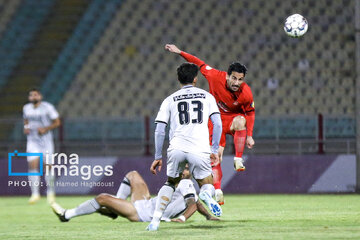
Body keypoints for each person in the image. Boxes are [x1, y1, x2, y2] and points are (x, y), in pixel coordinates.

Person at [165, 44, 256, 205]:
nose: (236, 82)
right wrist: (180, 52)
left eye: (240, 79)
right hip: (215, 120)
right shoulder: (214, 76)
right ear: (227, 76)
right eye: (234, 78)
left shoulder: (246, 92)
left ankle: (238, 159)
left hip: (232, 120)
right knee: (215, 156)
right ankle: (218, 190)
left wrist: (249, 135)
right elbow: (198, 63)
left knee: (241, 121)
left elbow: (250, 112)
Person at [146, 62, 223, 231]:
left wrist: (158, 156)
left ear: (178, 79)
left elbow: (159, 130)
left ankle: (156, 221)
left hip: (176, 148)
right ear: (195, 78)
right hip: (199, 148)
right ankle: (205, 195)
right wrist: (214, 149)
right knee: (206, 183)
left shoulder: (169, 100)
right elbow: (217, 124)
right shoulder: (207, 97)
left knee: (170, 183)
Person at [51, 169, 219, 223]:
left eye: (186, 168)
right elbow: (197, 203)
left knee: (102, 197)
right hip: (145, 203)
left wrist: (181, 219)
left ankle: (66, 215)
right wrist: (208, 217)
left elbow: (193, 203)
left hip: (142, 213)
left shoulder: (185, 183)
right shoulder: (189, 188)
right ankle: (116, 206)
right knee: (133, 175)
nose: (183, 170)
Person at [23, 88, 61, 204]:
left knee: (47, 166)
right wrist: (26, 128)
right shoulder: (26, 108)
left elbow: (57, 122)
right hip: (32, 141)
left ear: (40, 96)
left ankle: (50, 192)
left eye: (35, 95)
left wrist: (45, 129)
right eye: (31, 95)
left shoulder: (47, 107)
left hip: (46, 142)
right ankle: (35, 194)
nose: (33, 97)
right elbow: (26, 121)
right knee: (32, 164)